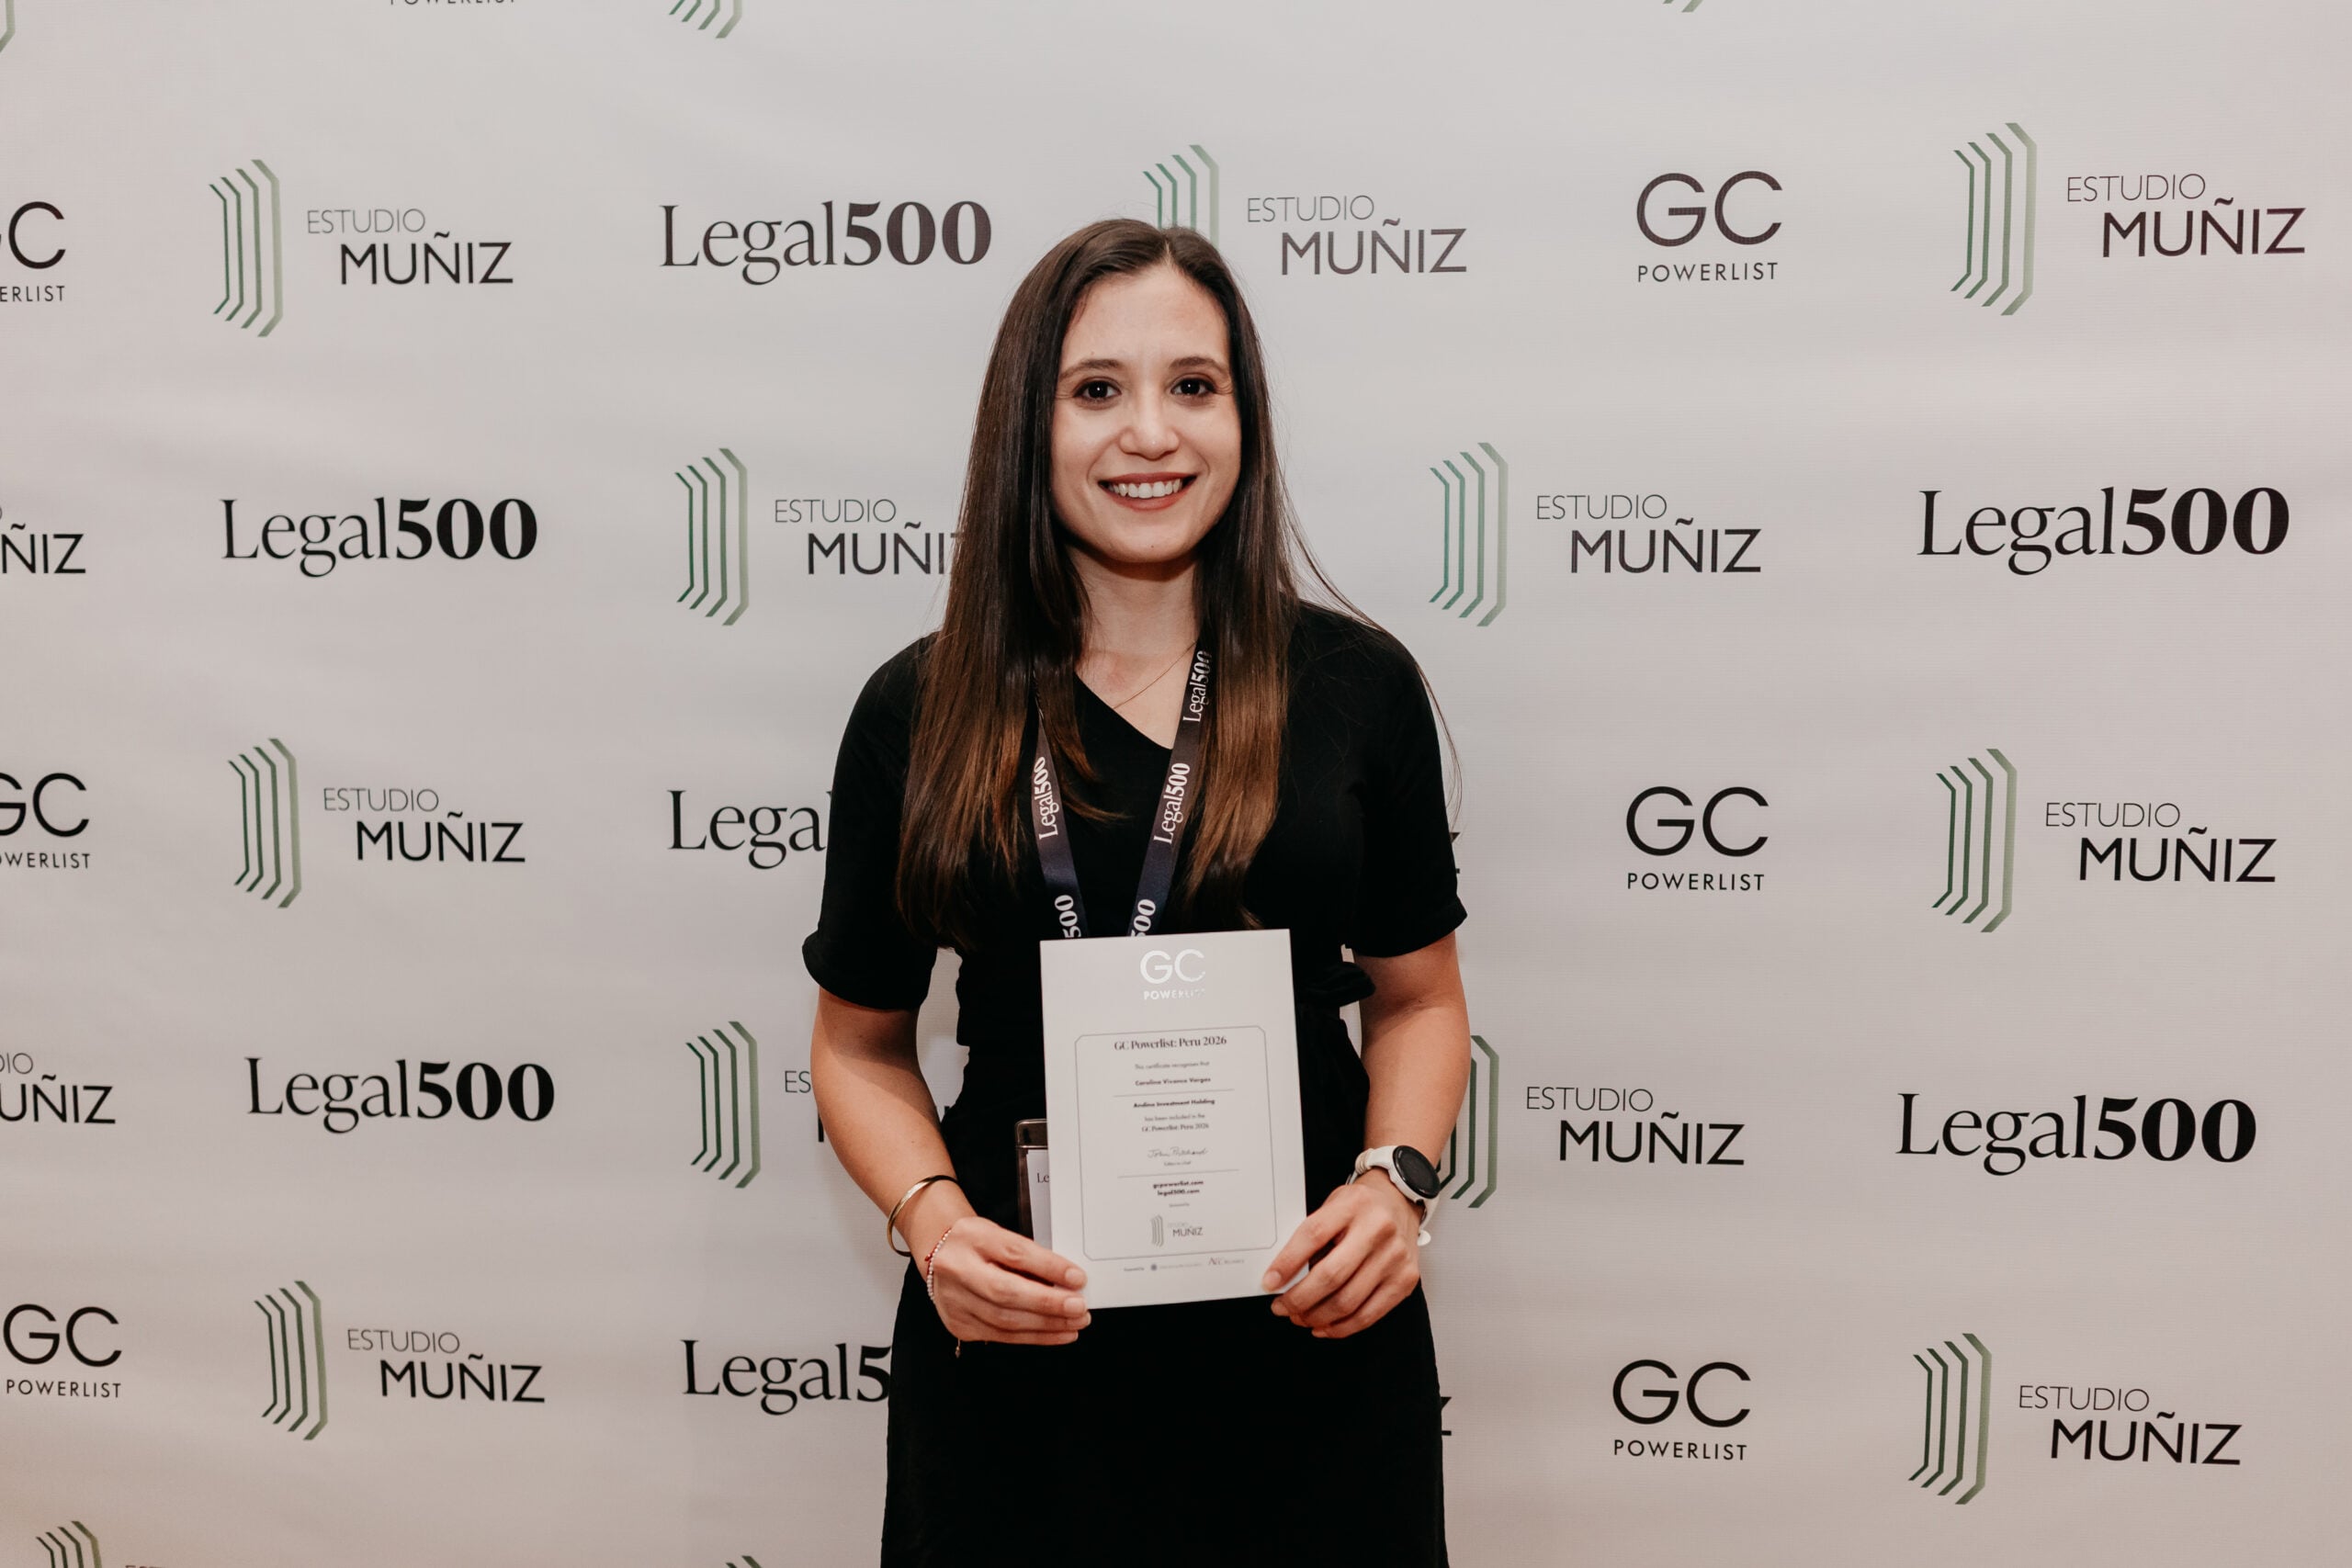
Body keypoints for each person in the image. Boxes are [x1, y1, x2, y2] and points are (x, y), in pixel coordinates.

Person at [804, 217, 1472, 1566]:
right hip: (1019, 1342)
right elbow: (857, 1045)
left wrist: (1395, 1183)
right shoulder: (918, 709)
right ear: (1027, 425)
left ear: (1245, 419)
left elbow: (1420, 1000)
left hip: (1309, 1328)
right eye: (1097, 389)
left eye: (1195, 386)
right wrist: (935, 1228)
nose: (1151, 433)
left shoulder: (1357, 686)